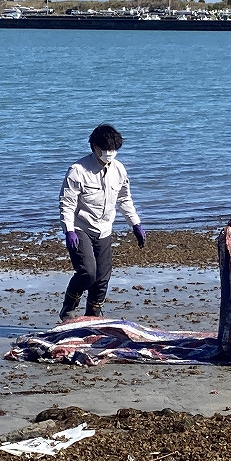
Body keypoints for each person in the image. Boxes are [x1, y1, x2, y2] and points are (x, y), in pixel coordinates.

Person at [58, 124, 146, 321]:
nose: (109, 153)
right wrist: (69, 230)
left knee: (102, 278)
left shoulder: (119, 170)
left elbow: (124, 199)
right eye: (105, 149)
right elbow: (67, 203)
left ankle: (93, 315)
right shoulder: (77, 171)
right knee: (87, 272)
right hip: (80, 227)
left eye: (113, 149)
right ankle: (68, 308)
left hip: (104, 228)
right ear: (94, 147)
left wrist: (135, 224)